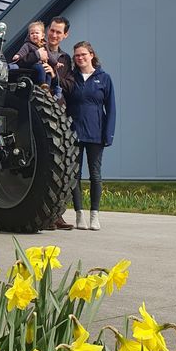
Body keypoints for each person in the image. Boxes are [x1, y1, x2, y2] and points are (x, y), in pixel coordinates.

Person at [64, 41, 116, 231]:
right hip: (74, 133)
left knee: (95, 175)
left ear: (92, 55)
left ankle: (95, 215)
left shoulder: (104, 78)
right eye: (77, 55)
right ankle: (79, 215)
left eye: (83, 54)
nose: (80, 58)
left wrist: (108, 134)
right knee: (75, 175)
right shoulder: (72, 78)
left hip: (96, 134)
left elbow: (111, 109)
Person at [42, 17, 75, 230]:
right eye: (52, 30)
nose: (54, 35)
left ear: (65, 35)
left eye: (58, 32)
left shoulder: (66, 59)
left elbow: (70, 85)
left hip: (59, 111)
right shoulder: (35, 49)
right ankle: (45, 214)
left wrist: (55, 76)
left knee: (63, 165)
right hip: (40, 110)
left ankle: (57, 214)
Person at [10, 21, 49, 89]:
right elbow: (23, 51)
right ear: (29, 36)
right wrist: (18, 55)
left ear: (42, 36)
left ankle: (47, 87)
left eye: (37, 33)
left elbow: (49, 56)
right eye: (32, 33)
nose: (34, 35)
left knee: (48, 74)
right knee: (40, 68)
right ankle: (42, 83)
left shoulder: (44, 46)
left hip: (43, 64)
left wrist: (55, 63)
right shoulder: (28, 44)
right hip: (34, 64)